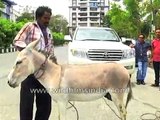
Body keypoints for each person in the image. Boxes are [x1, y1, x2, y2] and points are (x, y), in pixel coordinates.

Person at [13, 6, 54, 120]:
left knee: (45, 106)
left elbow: (51, 51)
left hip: (44, 74)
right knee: (26, 105)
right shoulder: (30, 26)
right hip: (28, 73)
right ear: (38, 17)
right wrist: (30, 52)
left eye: (49, 18)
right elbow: (17, 41)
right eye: (45, 18)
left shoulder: (49, 32)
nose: (47, 21)